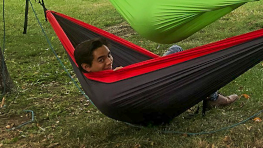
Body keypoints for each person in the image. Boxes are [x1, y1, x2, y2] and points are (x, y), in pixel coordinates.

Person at [74, 38, 238, 109]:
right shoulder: (110, 86)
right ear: (87, 67)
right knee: (192, 66)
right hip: (160, 91)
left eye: (109, 55)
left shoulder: (100, 79)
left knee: (176, 51)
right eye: (101, 60)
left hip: (154, 82)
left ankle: (211, 97)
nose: (109, 61)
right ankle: (215, 99)